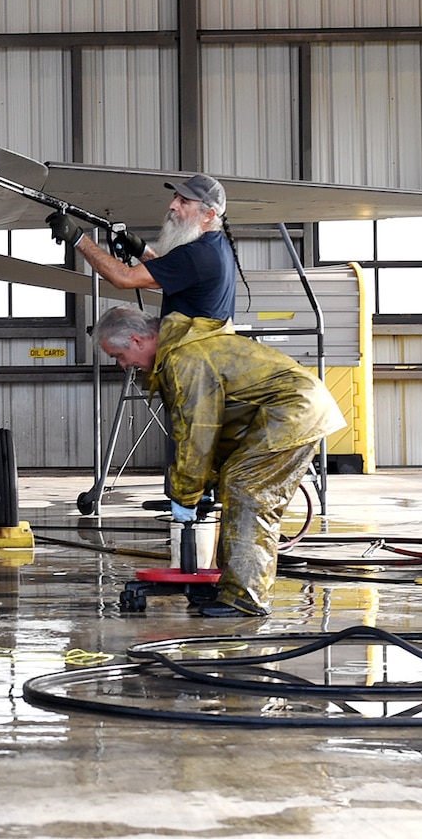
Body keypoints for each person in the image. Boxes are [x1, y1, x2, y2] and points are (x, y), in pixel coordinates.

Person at [91, 302, 345, 618]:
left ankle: (245, 598)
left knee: (247, 491)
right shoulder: (184, 349)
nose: (122, 364)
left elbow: (197, 433)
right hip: (288, 411)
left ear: (136, 341)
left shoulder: (186, 358)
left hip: (292, 412)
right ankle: (232, 588)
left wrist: (185, 495)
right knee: (238, 486)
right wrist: (202, 482)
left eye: (119, 356)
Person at [71, 174, 235, 322]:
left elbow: (124, 277)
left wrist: (77, 238)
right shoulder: (217, 247)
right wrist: (141, 250)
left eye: (184, 201)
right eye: (175, 197)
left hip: (192, 353)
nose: (172, 205)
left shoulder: (196, 255)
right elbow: (172, 273)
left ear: (209, 215)